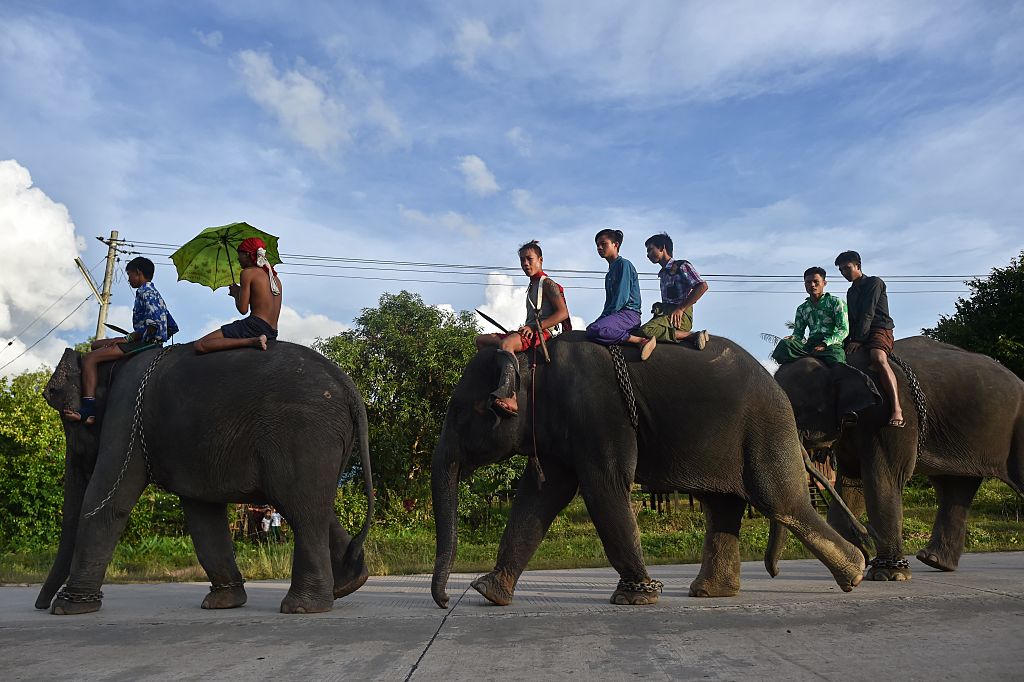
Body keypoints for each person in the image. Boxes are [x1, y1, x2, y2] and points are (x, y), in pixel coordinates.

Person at [63, 257, 178, 425]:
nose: (129, 278)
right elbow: (172, 326)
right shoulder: (155, 293)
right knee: (95, 345)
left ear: (138, 273)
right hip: (147, 340)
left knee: (89, 358)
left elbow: (153, 324)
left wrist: (129, 338)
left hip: (144, 343)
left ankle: (88, 410)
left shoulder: (144, 291)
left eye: (130, 274)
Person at [476, 240, 570, 417]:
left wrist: (535, 327)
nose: (525, 264)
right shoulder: (531, 285)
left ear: (540, 260)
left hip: (542, 332)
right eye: (522, 261)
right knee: (481, 341)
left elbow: (563, 313)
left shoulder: (547, 283)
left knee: (506, 345)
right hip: (528, 329)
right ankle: (493, 388)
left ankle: (510, 396)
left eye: (529, 259)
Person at [835, 250, 904, 427]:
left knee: (878, 358)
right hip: (858, 332)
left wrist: (858, 339)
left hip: (879, 328)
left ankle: (897, 408)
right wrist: (846, 340)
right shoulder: (851, 292)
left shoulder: (874, 282)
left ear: (858, 266)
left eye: (847, 268)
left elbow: (868, 312)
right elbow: (851, 318)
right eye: (841, 270)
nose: (844, 273)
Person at [194, 237, 282, 353]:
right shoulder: (275, 278)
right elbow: (261, 301)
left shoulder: (247, 273)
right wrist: (240, 290)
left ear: (247, 254)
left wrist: (236, 294)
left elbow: (243, 309)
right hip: (272, 331)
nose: (238, 258)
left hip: (255, 327)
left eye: (239, 255)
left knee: (200, 345)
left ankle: (252, 341)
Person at [585, 229, 654, 358]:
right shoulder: (609, 274)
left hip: (629, 314)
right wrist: (601, 318)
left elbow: (621, 298)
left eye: (603, 244)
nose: (599, 247)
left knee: (595, 330)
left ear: (615, 245)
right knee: (591, 329)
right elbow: (609, 302)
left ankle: (640, 341)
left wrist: (602, 320)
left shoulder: (624, 265)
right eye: (597, 245)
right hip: (617, 314)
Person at [637, 232, 709, 350]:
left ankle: (691, 336)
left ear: (662, 248)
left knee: (647, 330)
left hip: (680, 317)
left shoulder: (682, 266)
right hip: (666, 314)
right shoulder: (663, 273)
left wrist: (681, 309)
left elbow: (702, 286)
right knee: (636, 332)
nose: (648, 255)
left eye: (650, 250)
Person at [772, 266, 848, 366]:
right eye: (808, 282)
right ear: (805, 285)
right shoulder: (802, 308)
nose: (812, 285)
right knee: (784, 345)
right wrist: (793, 338)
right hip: (810, 345)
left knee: (837, 361)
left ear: (824, 283)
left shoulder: (836, 302)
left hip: (831, 346)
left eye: (816, 281)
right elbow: (798, 333)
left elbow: (843, 330)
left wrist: (825, 344)